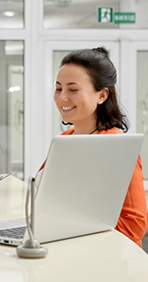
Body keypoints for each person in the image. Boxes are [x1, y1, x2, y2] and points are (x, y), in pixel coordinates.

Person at [52, 46, 147, 247]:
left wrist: (72, 228)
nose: (62, 98)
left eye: (73, 89)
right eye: (59, 88)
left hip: (109, 261)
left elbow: (135, 225)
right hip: (68, 248)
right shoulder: (66, 138)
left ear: (102, 96)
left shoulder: (117, 146)